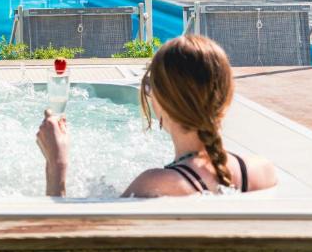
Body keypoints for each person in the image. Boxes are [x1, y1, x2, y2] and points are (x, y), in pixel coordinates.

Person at [36, 35, 276, 198]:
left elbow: (71, 245)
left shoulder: (154, 185)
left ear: (161, 102)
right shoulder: (261, 171)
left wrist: (57, 164)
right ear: (226, 96)